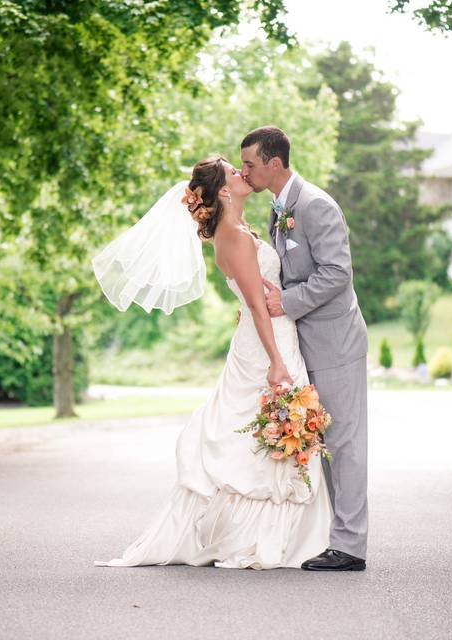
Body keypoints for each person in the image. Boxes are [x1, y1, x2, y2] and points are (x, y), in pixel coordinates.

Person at [91, 155, 331, 569]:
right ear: (222, 190)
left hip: (270, 334)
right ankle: (258, 538)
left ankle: (280, 534)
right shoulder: (232, 235)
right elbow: (258, 307)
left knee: (258, 435)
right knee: (259, 435)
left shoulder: (238, 230)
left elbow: (253, 296)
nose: (242, 173)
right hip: (266, 344)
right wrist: (276, 362)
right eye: (234, 171)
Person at [240, 126, 369, 571]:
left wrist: (286, 302)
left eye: (250, 164)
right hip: (302, 341)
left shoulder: (316, 205)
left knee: (344, 442)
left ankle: (350, 547)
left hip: (336, 342)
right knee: (320, 441)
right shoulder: (281, 208)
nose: (245, 172)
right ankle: (328, 537)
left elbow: (338, 273)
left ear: (274, 163)